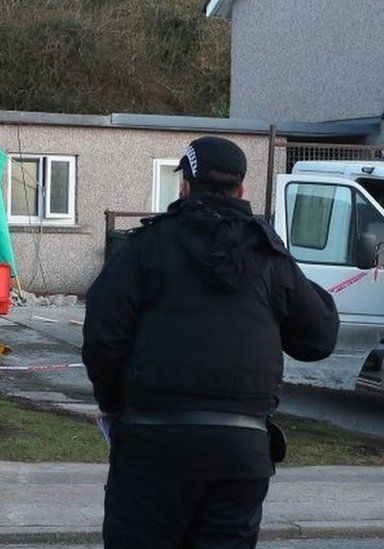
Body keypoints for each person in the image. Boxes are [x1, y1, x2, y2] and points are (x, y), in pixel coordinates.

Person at [83, 136, 339, 547]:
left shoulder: (144, 248)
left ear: (185, 186)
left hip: (152, 445)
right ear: (242, 189)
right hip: (239, 451)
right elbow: (318, 338)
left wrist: (114, 403)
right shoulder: (269, 256)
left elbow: (102, 336)